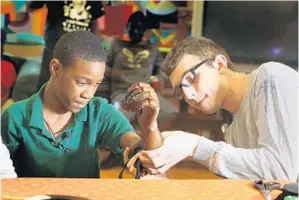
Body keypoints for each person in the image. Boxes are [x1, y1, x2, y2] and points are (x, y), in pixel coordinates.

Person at [124, 36, 298, 181]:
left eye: (191, 78)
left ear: (220, 65)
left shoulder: (270, 77)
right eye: (180, 91)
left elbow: (281, 173)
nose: (189, 95)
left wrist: (194, 146)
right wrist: (160, 181)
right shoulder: (233, 126)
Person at [1, 31, 163, 178]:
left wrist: (149, 126)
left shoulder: (98, 111)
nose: (88, 94)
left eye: (96, 84)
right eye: (82, 82)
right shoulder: (16, 117)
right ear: (56, 68)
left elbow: (144, 156)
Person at [106, 11, 178, 123]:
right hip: (122, 93)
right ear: (127, 27)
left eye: (139, 28)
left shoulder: (152, 48)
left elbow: (162, 70)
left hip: (146, 93)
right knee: (118, 119)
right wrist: (114, 75)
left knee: (171, 113)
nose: (135, 31)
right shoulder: (116, 44)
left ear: (144, 30)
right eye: (132, 27)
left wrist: (157, 78)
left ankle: (153, 139)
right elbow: (104, 66)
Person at [27, 0, 105, 92]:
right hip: (55, 45)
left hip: (82, 48)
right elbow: (32, 7)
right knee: (48, 81)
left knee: (78, 84)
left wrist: (95, 44)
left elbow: (98, 21)